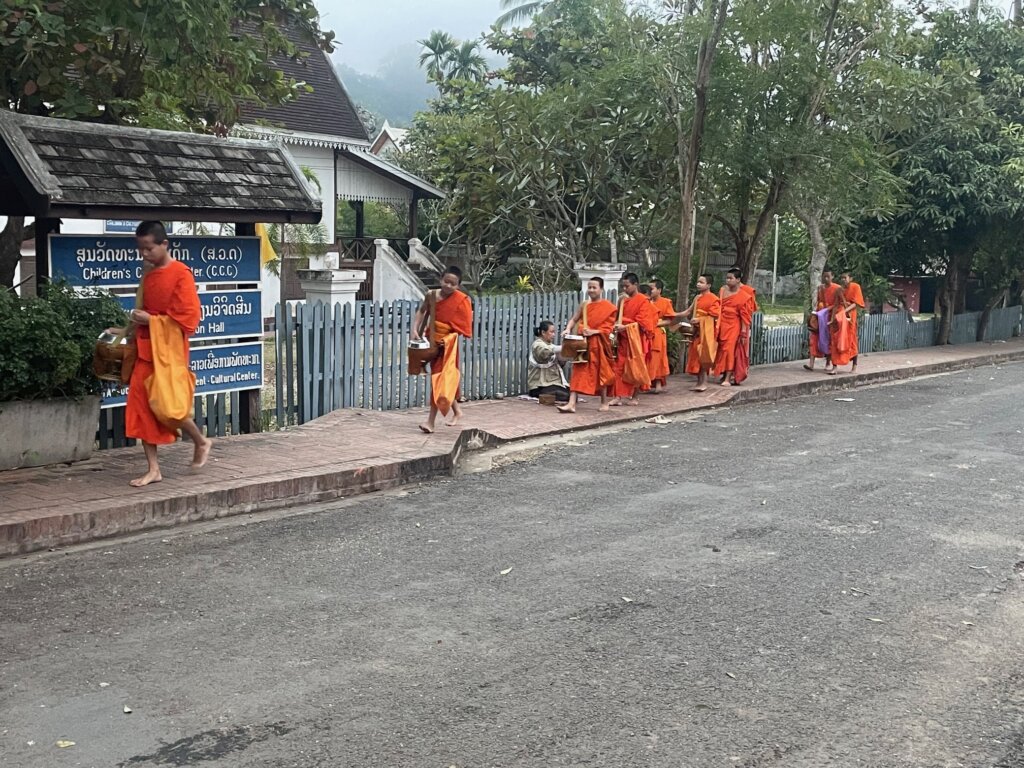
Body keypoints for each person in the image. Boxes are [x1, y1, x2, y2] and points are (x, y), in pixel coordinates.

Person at [124, 220, 211, 487]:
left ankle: (201, 441)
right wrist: (128, 328)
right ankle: (154, 469)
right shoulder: (148, 275)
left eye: (149, 248)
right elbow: (143, 309)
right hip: (145, 349)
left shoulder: (181, 274)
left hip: (169, 352)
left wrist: (152, 320)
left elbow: (189, 319)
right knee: (141, 408)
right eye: (140, 249)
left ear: (164, 244)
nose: (144, 254)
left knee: (170, 408)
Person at [410, 265, 473, 434]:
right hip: (431, 342)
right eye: (446, 281)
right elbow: (421, 312)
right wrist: (414, 329)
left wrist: (448, 339)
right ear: (441, 279)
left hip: (448, 347)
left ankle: (430, 422)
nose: (448, 286)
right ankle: (457, 411)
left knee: (438, 380)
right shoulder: (431, 295)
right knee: (443, 380)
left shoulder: (462, 300)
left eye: (453, 284)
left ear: (458, 285)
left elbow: (463, 327)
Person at [558, 277, 617, 414]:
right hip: (583, 345)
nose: (591, 290)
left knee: (600, 372)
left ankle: (604, 401)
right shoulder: (584, 305)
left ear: (601, 289)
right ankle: (571, 403)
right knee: (578, 371)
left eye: (594, 287)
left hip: (599, 344)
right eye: (589, 287)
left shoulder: (609, 307)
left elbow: (609, 329)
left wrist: (594, 331)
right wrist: (567, 329)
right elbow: (574, 319)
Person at [609, 272, 656, 406]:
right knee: (619, 367)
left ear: (636, 285)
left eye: (627, 286)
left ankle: (635, 396)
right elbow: (617, 317)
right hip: (623, 340)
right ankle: (617, 396)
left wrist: (626, 327)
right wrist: (616, 326)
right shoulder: (623, 301)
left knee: (636, 367)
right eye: (623, 286)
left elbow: (644, 323)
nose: (625, 289)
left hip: (636, 340)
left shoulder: (643, 301)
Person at [714, 267, 757, 386]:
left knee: (730, 350)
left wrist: (743, 332)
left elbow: (744, 316)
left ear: (738, 280)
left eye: (731, 278)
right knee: (721, 350)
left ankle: (728, 377)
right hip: (722, 324)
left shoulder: (744, 296)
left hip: (734, 325)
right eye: (727, 278)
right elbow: (717, 306)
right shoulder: (722, 290)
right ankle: (723, 374)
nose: (728, 280)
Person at [680, 274, 721, 392]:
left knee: (704, 356)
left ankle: (704, 382)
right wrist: (673, 316)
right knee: (696, 356)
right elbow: (688, 311)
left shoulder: (713, 299)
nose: (698, 284)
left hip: (707, 332)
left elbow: (715, 316)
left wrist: (699, 320)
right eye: (698, 282)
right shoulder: (697, 298)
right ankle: (699, 382)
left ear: (709, 285)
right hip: (697, 331)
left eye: (701, 282)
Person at [805, 269, 841, 372]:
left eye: (828, 276)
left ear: (832, 277)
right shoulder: (820, 288)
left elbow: (837, 304)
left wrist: (827, 310)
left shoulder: (837, 288)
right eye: (824, 276)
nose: (826, 279)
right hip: (820, 316)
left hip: (830, 317)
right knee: (814, 339)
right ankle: (811, 364)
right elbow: (819, 301)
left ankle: (828, 363)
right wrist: (817, 314)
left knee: (829, 340)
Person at [527, 320, 570, 402]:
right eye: (551, 332)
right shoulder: (537, 344)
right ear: (543, 332)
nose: (554, 335)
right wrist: (565, 347)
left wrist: (563, 357)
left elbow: (560, 363)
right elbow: (545, 352)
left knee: (573, 393)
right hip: (539, 385)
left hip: (552, 384)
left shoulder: (551, 346)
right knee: (567, 396)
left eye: (554, 332)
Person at [647, 278, 676, 392]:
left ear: (659, 290)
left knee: (658, 357)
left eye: (652, 288)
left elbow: (669, 320)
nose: (650, 291)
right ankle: (646, 382)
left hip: (658, 332)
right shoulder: (645, 301)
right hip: (646, 332)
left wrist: (656, 323)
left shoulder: (666, 302)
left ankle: (658, 382)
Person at [839, 271, 866, 373]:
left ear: (850, 278)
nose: (843, 280)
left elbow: (856, 303)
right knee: (841, 338)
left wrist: (845, 310)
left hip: (851, 315)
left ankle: (854, 366)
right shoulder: (841, 289)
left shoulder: (855, 287)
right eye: (842, 278)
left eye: (845, 278)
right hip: (842, 315)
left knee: (852, 339)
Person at [827, 284, 854, 374]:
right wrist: (832, 320)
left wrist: (845, 313)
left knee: (848, 342)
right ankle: (834, 367)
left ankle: (853, 366)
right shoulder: (839, 291)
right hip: (838, 318)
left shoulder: (853, 289)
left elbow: (854, 305)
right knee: (834, 343)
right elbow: (835, 305)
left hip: (847, 318)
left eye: (845, 278)